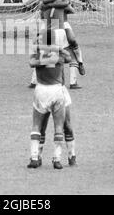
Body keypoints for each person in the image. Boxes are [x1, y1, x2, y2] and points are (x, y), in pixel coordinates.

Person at [28, 30, 72, 170]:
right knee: (59, 126)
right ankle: (57, 159)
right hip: (57, 90)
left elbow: (31, 63)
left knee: (36, 125)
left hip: (41, 89)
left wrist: (41, 55)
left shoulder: (38, 53)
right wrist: (58, 49)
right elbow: (69, 58)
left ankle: (34, 157)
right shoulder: (58, 54)